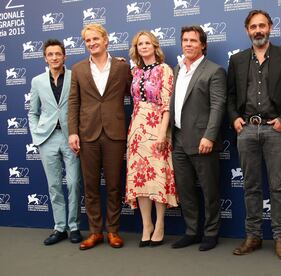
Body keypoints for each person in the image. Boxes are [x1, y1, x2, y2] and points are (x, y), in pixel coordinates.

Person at [227, 10, 281, 259]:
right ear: (247, 30)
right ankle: (253, 236)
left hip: (275, 131)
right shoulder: (237, 60)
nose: (258, 30)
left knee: (278, 187)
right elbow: (229, 96)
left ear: (270, 27)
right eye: (253, 27)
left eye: (262, 25)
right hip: (247, 129)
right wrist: (235, 119)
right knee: (251, 187)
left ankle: (280, 238)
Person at [68, 23, 132, 250]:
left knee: (114, 185)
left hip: (114, 132)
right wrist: (73, 132)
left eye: (96, 39)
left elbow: (135, 94)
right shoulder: (77, 69)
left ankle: (113, 231)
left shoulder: (122, 68)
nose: (92, 43)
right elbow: (73, 102)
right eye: (88, 40)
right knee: (91, 186)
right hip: (87, 133)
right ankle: (95, 232)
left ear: (106, 40)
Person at [170, 26, 226, 251]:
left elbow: (218, 105)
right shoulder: (177, 69)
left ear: (203, 44)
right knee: (186, 190)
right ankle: (192, 231)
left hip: (203, 141)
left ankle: (211, 233)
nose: (188, 44)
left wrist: (209, 137)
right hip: (178, 140)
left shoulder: (214, 70)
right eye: (185, 40)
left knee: (209, 189)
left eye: (193, 40)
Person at [125, 31, 178, 247]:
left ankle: (160, 225)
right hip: (137, 129)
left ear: (155, 46)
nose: (144, 46)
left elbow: (167, 105)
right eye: (140, 44)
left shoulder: (164, 70)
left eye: (147, 43)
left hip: (157, 126)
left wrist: (162, 133)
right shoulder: (135, 71)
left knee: (157, 177)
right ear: (136, 49)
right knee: (140, 179)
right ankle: (146, 225)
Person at [28, 39, 82, 245]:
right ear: (45, 58)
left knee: (75, 183)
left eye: (58, 54)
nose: (54, 58)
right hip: (47, 138)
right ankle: (59, 228)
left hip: (71, 136)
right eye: (50, 54)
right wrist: (36, 134)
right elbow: (33, 112)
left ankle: (74, 226)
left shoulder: (74, 76)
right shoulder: (37, 81)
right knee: (54, 185)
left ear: (64, 56)